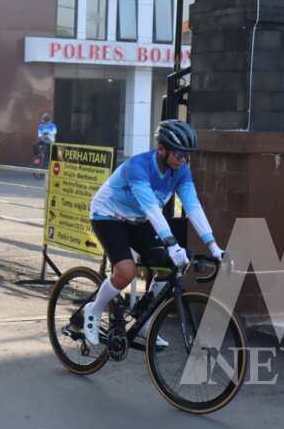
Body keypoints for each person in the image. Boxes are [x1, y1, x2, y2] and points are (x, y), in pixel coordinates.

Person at [82, 119, 225, 346]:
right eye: (179, 154)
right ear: (161, 149)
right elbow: (151, 209)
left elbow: (192, 206)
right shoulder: (137, 167)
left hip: (137, 220)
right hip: (107, 216)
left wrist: (213, 245)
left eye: (187, 155)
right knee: (126, 271)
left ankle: (144, 320)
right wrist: (171, 243)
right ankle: (93, 309)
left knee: (170, 265)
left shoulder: (181, 170)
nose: (183, 160)